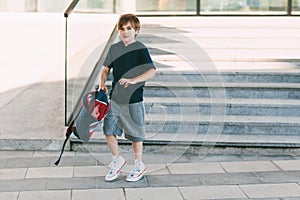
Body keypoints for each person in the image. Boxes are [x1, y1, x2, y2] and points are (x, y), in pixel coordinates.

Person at [99, 13, 156, 182]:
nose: (125, 32)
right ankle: (117, 159)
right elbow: (105, 69)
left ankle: (138, 164)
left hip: (134, 100)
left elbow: (151, 71)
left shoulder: (140, 49)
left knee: (135, 135)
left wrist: (133, 80)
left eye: (129, 28)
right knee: (108, 131)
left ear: (136, 30)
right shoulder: (114, 49)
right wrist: (102, 83)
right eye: (122, 29)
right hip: (115, 98)